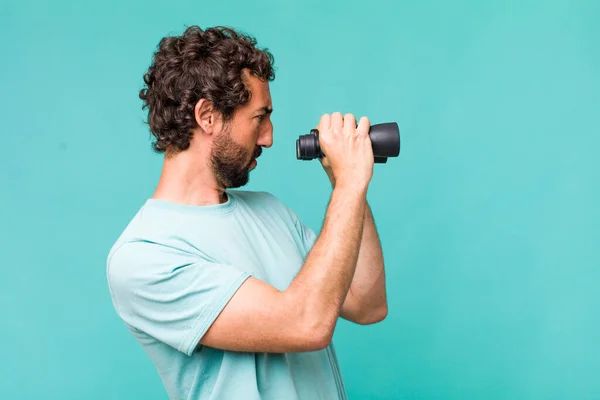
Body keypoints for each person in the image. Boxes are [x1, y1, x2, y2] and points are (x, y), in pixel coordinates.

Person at [106, 25, 388, 400]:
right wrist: (350, 185)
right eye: (259, 117)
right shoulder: (144, 257)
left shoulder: (270, 211)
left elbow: (368, 304)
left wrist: (346, 183)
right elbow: (306, 324)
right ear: (207, 115)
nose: (269, 137)